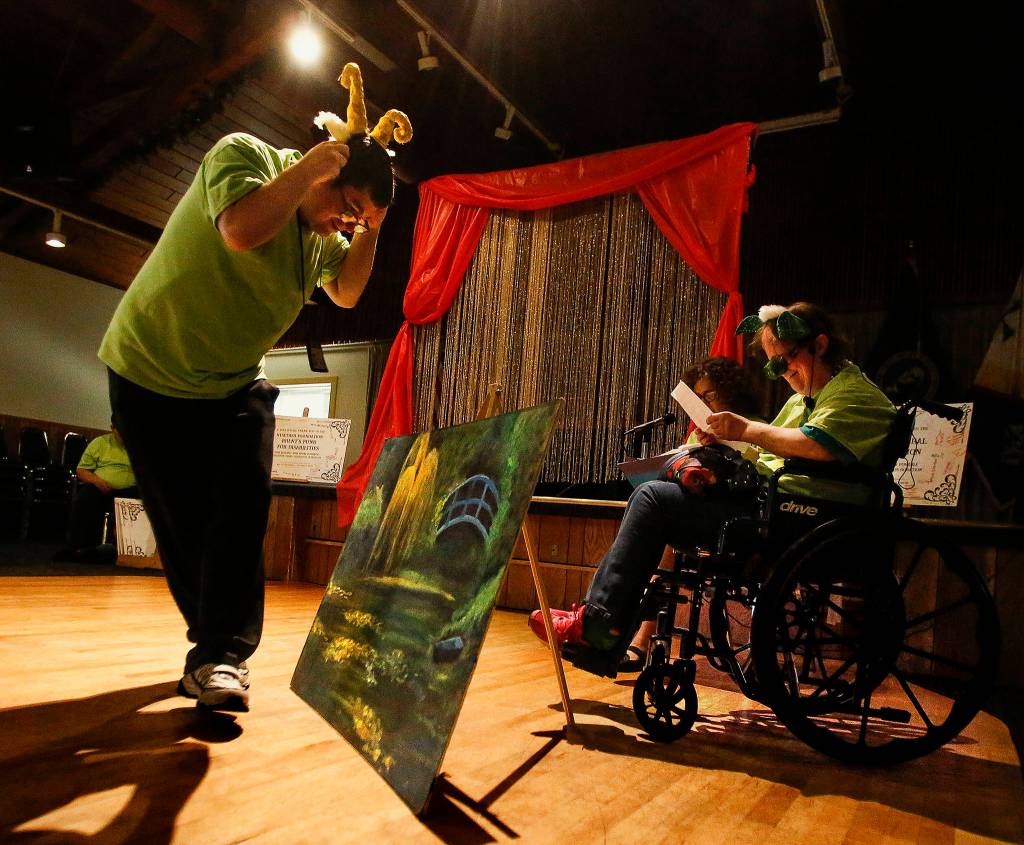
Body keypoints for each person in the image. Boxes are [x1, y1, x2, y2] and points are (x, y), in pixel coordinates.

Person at [98, 64, 411, 709]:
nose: (345, 226)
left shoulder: (322, 243)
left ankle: (220, 657)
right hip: (146, 371)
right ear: (324, 170)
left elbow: (349, 293)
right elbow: (241, 231)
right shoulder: (242, 155)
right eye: (347, 209)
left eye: (360, 223)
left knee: (241, 508)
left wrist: (369, 226)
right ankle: (208, 645)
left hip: (233, 386)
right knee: (182, 526)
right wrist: (319, 165)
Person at [529, 302, 896, 675]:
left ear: (819, 345)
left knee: (653, 499)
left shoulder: (855, 395)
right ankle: (601, 624)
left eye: (786, 359)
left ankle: (600, 625)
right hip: (779, 505)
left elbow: (816, 445)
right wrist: (722, 445)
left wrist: (745, 430)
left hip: (803, 517)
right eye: (773, 365)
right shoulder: (809, 399)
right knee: (657, 491)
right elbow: (768, 453)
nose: (782, 373)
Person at [619, 356, 761, 670]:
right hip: (697, 516)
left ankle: (630, 635)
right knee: (660, 530)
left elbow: (756, 475)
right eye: (698, 398)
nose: (703, 404)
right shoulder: (700, 436)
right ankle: (632, 633)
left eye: (709, 396)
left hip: (735, 520)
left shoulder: (755, 428)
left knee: (662, 524)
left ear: (731, 394)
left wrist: (728, 447)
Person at [56, 419, 139, 562]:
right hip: (102, 488)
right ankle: (81, 547)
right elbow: (81, 470)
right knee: (86, 496)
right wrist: (98, 482)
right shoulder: (100, 443)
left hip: (131, 490)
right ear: (113, 428)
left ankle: (135, 550)